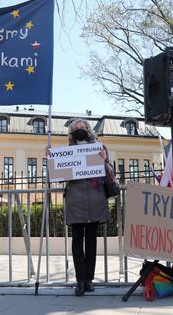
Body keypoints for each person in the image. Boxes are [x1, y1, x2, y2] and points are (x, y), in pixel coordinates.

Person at [48, 118, 109, 296]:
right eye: (76, 128)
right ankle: (80, 281)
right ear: (71, 132)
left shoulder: (99, 147)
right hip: (75, 201)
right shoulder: (67, 152)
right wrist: (50, 158)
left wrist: (104, 160)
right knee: (76, 242)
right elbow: (57, 174)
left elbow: (108, 171)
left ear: (89, 130)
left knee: (91, 242)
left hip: (95, 199)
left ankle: (89, 280)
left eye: (83, 127)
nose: (80, 129)